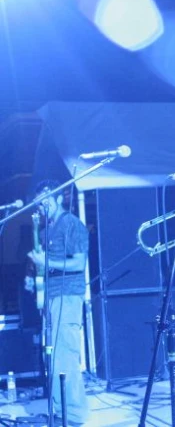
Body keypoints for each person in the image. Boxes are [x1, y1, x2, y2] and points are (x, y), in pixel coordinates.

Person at [26, 180, 90, 426]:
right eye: (39, 199)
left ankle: (72, 415)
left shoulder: (72, 224)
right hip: (51, 296)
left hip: (67, 295)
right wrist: (33, 277)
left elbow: (77, 264)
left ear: (59, 198)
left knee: (65, 354)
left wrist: (46, 263)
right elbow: (45, 264)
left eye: (46, 198)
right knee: (51, 356)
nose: (41, 204)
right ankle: (57, 410)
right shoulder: (45, 230)